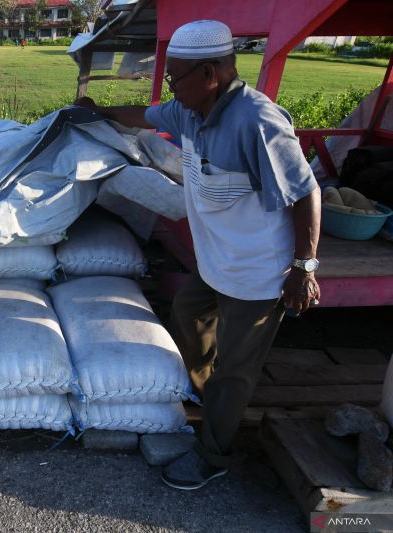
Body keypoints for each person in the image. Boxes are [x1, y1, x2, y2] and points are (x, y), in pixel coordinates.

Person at [75, 20, 321, 490]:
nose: (169, 88)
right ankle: (209, 400)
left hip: (258, 273)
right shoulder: (190, 110)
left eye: (175, 77)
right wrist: (97, 110)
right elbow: (144, 115)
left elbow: (306, 194)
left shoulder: (258, 123)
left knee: (235, 370)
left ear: (210, 73)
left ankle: (214, 455)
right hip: (215, 264)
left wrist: (304, 266)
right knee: (188, 313)